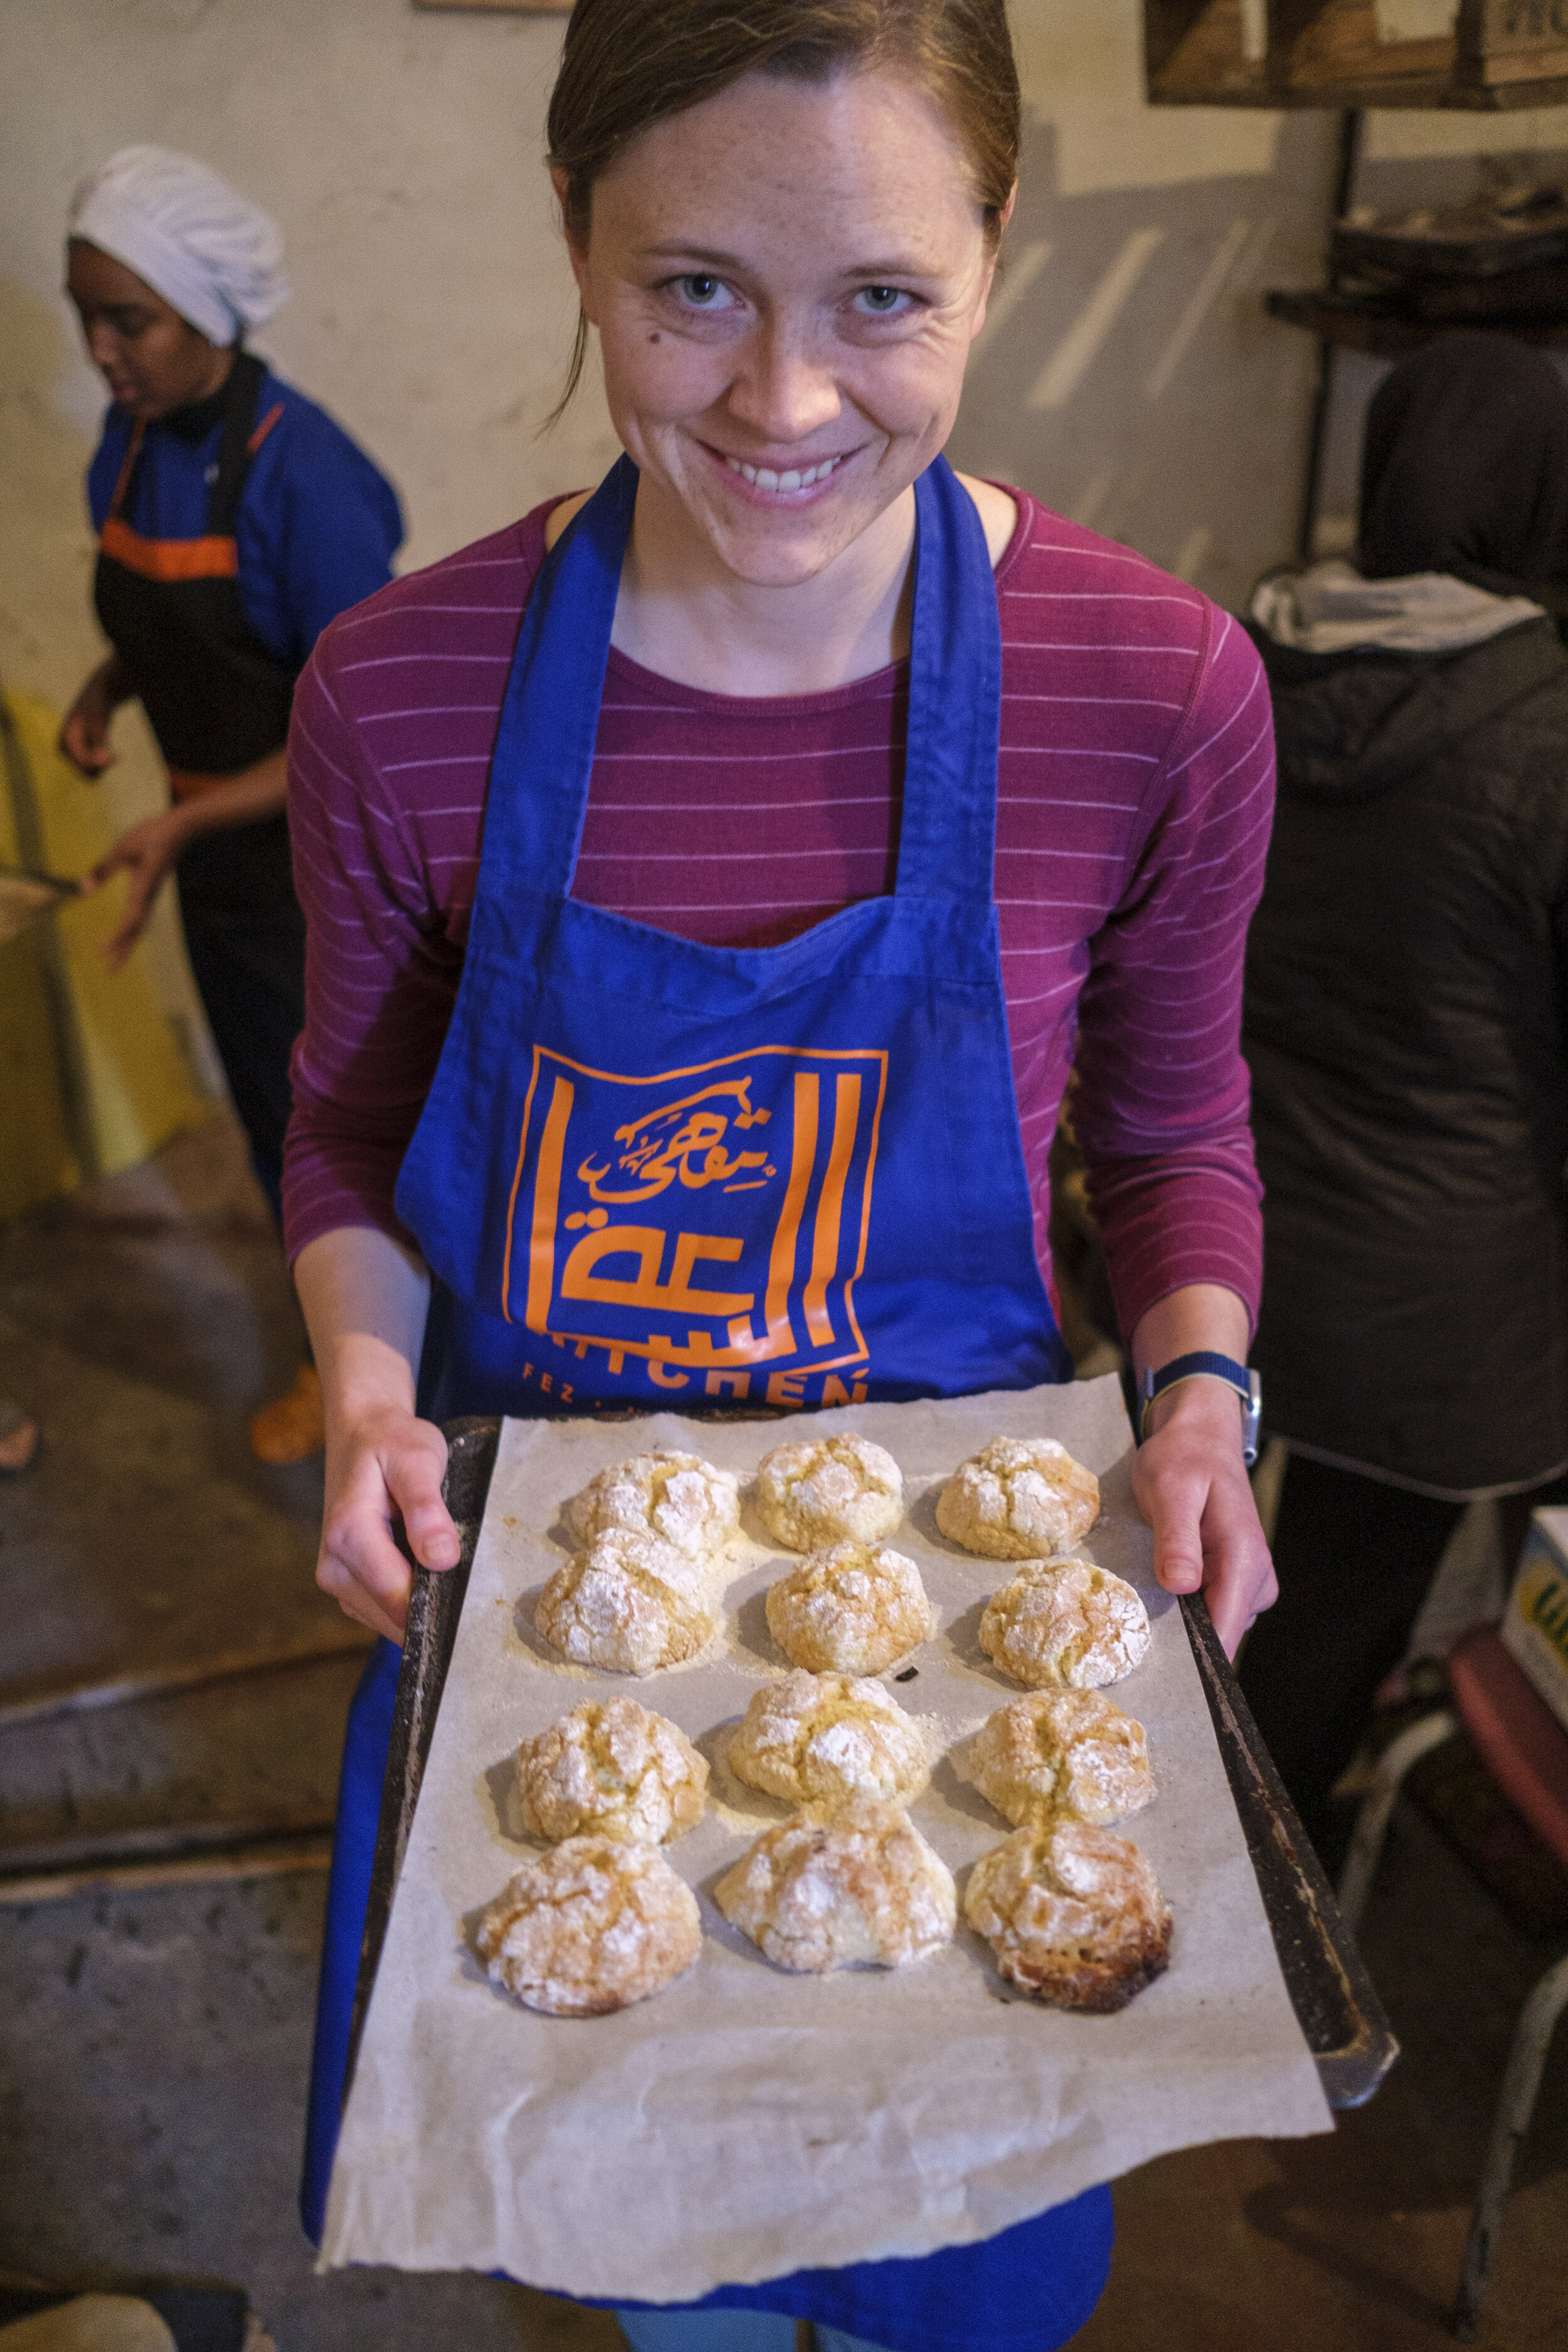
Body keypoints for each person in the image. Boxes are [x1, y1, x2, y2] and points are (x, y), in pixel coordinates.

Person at [285, 1, 1279, 2340]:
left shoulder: (1155, 687)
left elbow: (1170, 1126)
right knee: (678, 2293)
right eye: (693, 289)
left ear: (996, 259)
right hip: (562, 1602)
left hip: (953, 1633)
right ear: (575, 239)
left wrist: (1206, 1394)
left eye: (885, 299)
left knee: (968, 2281)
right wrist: (357, 1391)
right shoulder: (401, 692)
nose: (786, 403)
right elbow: (346, 1116)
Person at [1238, 331, 1568, 1879]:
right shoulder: (1545, 729)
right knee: (1329, 1618)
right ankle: (1263, 1927)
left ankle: (1159, 1848)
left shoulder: (1242, 654)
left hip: (1224, 1237)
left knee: (1217, 1576)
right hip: (1434, 1293)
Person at [58, 145, 404, 1464]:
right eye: (86, 317)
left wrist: (185, 821)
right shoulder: (130, 437)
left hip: (314, 865)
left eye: (128, 321)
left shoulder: (301, 475)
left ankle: (365, 1372)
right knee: (269, 1116)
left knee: (327, 1124)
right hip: (211, 855)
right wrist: (113, 686)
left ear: (204, 311)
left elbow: (352, 726)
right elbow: (178, 628)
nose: (102, 350)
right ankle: (334, 1342)